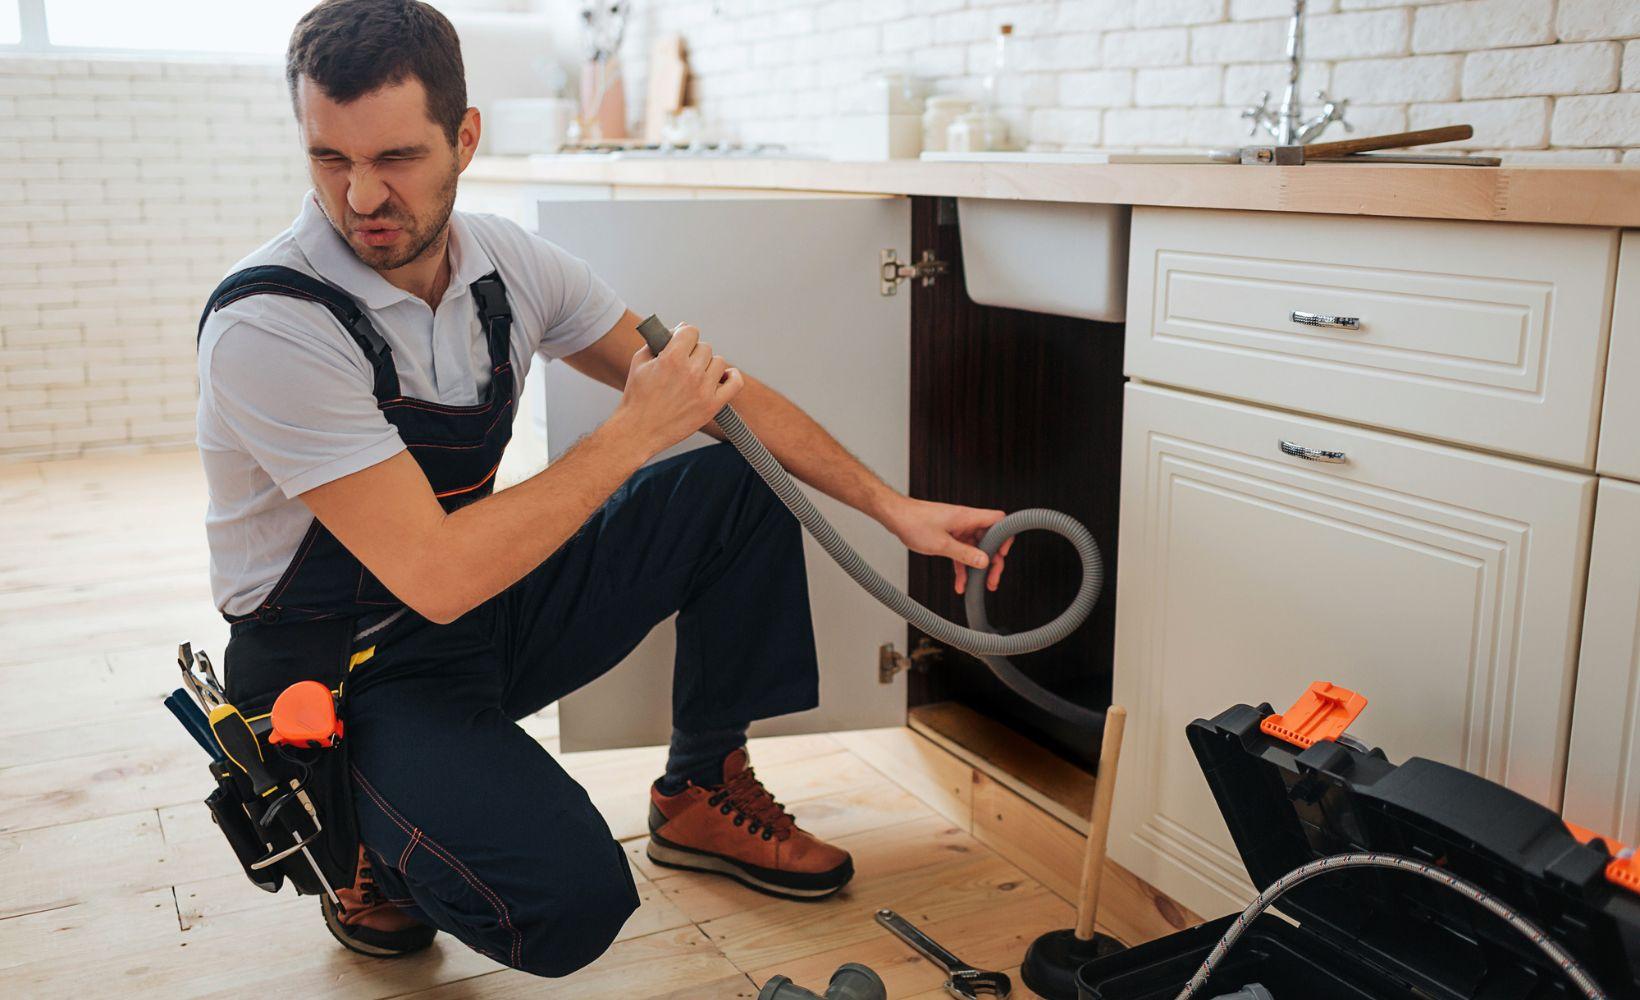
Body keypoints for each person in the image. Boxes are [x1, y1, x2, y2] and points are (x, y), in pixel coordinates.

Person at [195, 0, 1014, 977]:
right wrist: (629, 434)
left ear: (465, 138)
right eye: (329, 159)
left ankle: (702, 789)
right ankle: (360, 841)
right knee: (568, 901)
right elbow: (437, 573)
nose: (362, 194)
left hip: (472, 622)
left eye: (397, 159)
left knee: (734, 478)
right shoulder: (272, 324)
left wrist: (891, 505)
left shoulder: (505, 264)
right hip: (341, 669)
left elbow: (718, 398)